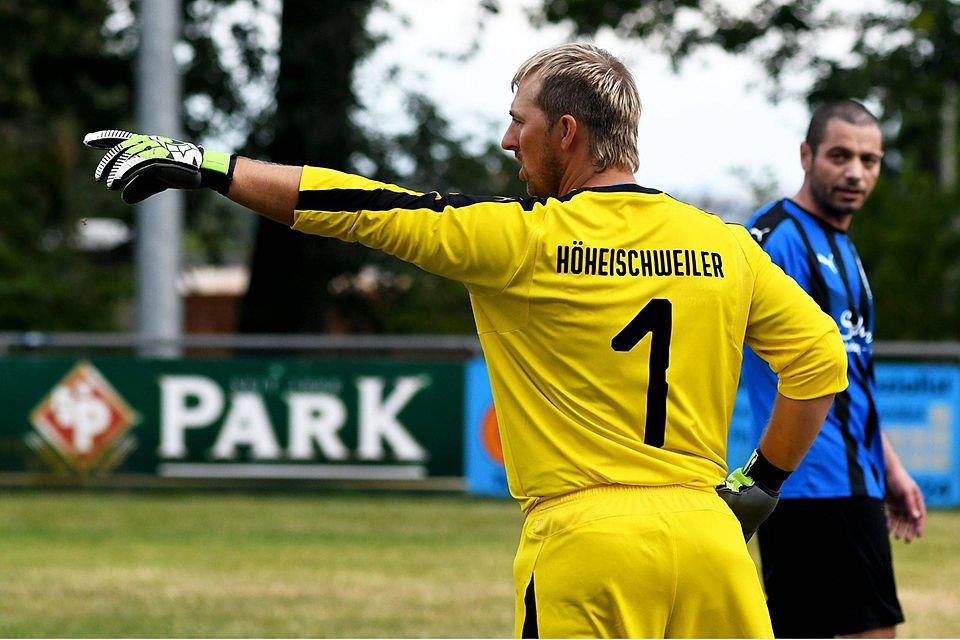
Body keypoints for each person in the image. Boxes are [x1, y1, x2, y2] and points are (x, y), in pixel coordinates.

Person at [86, 43, 849, 638]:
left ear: (568, 132)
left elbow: (363, 206)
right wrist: (760, 483)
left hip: (591, 543)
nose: (508, 138)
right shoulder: (723, 245)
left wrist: (213, 167)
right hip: (711, 541)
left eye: (520, 120)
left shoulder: (522, 240)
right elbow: (818, 363)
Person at [742, 99, 927, 638]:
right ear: (806, 155)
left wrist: (888, 468)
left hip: (853, 480)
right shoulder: (776, 237)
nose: (855, 172)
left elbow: (852, 375)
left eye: (869, 160)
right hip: (813, 483)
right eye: (840, 155)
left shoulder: (842, 246)